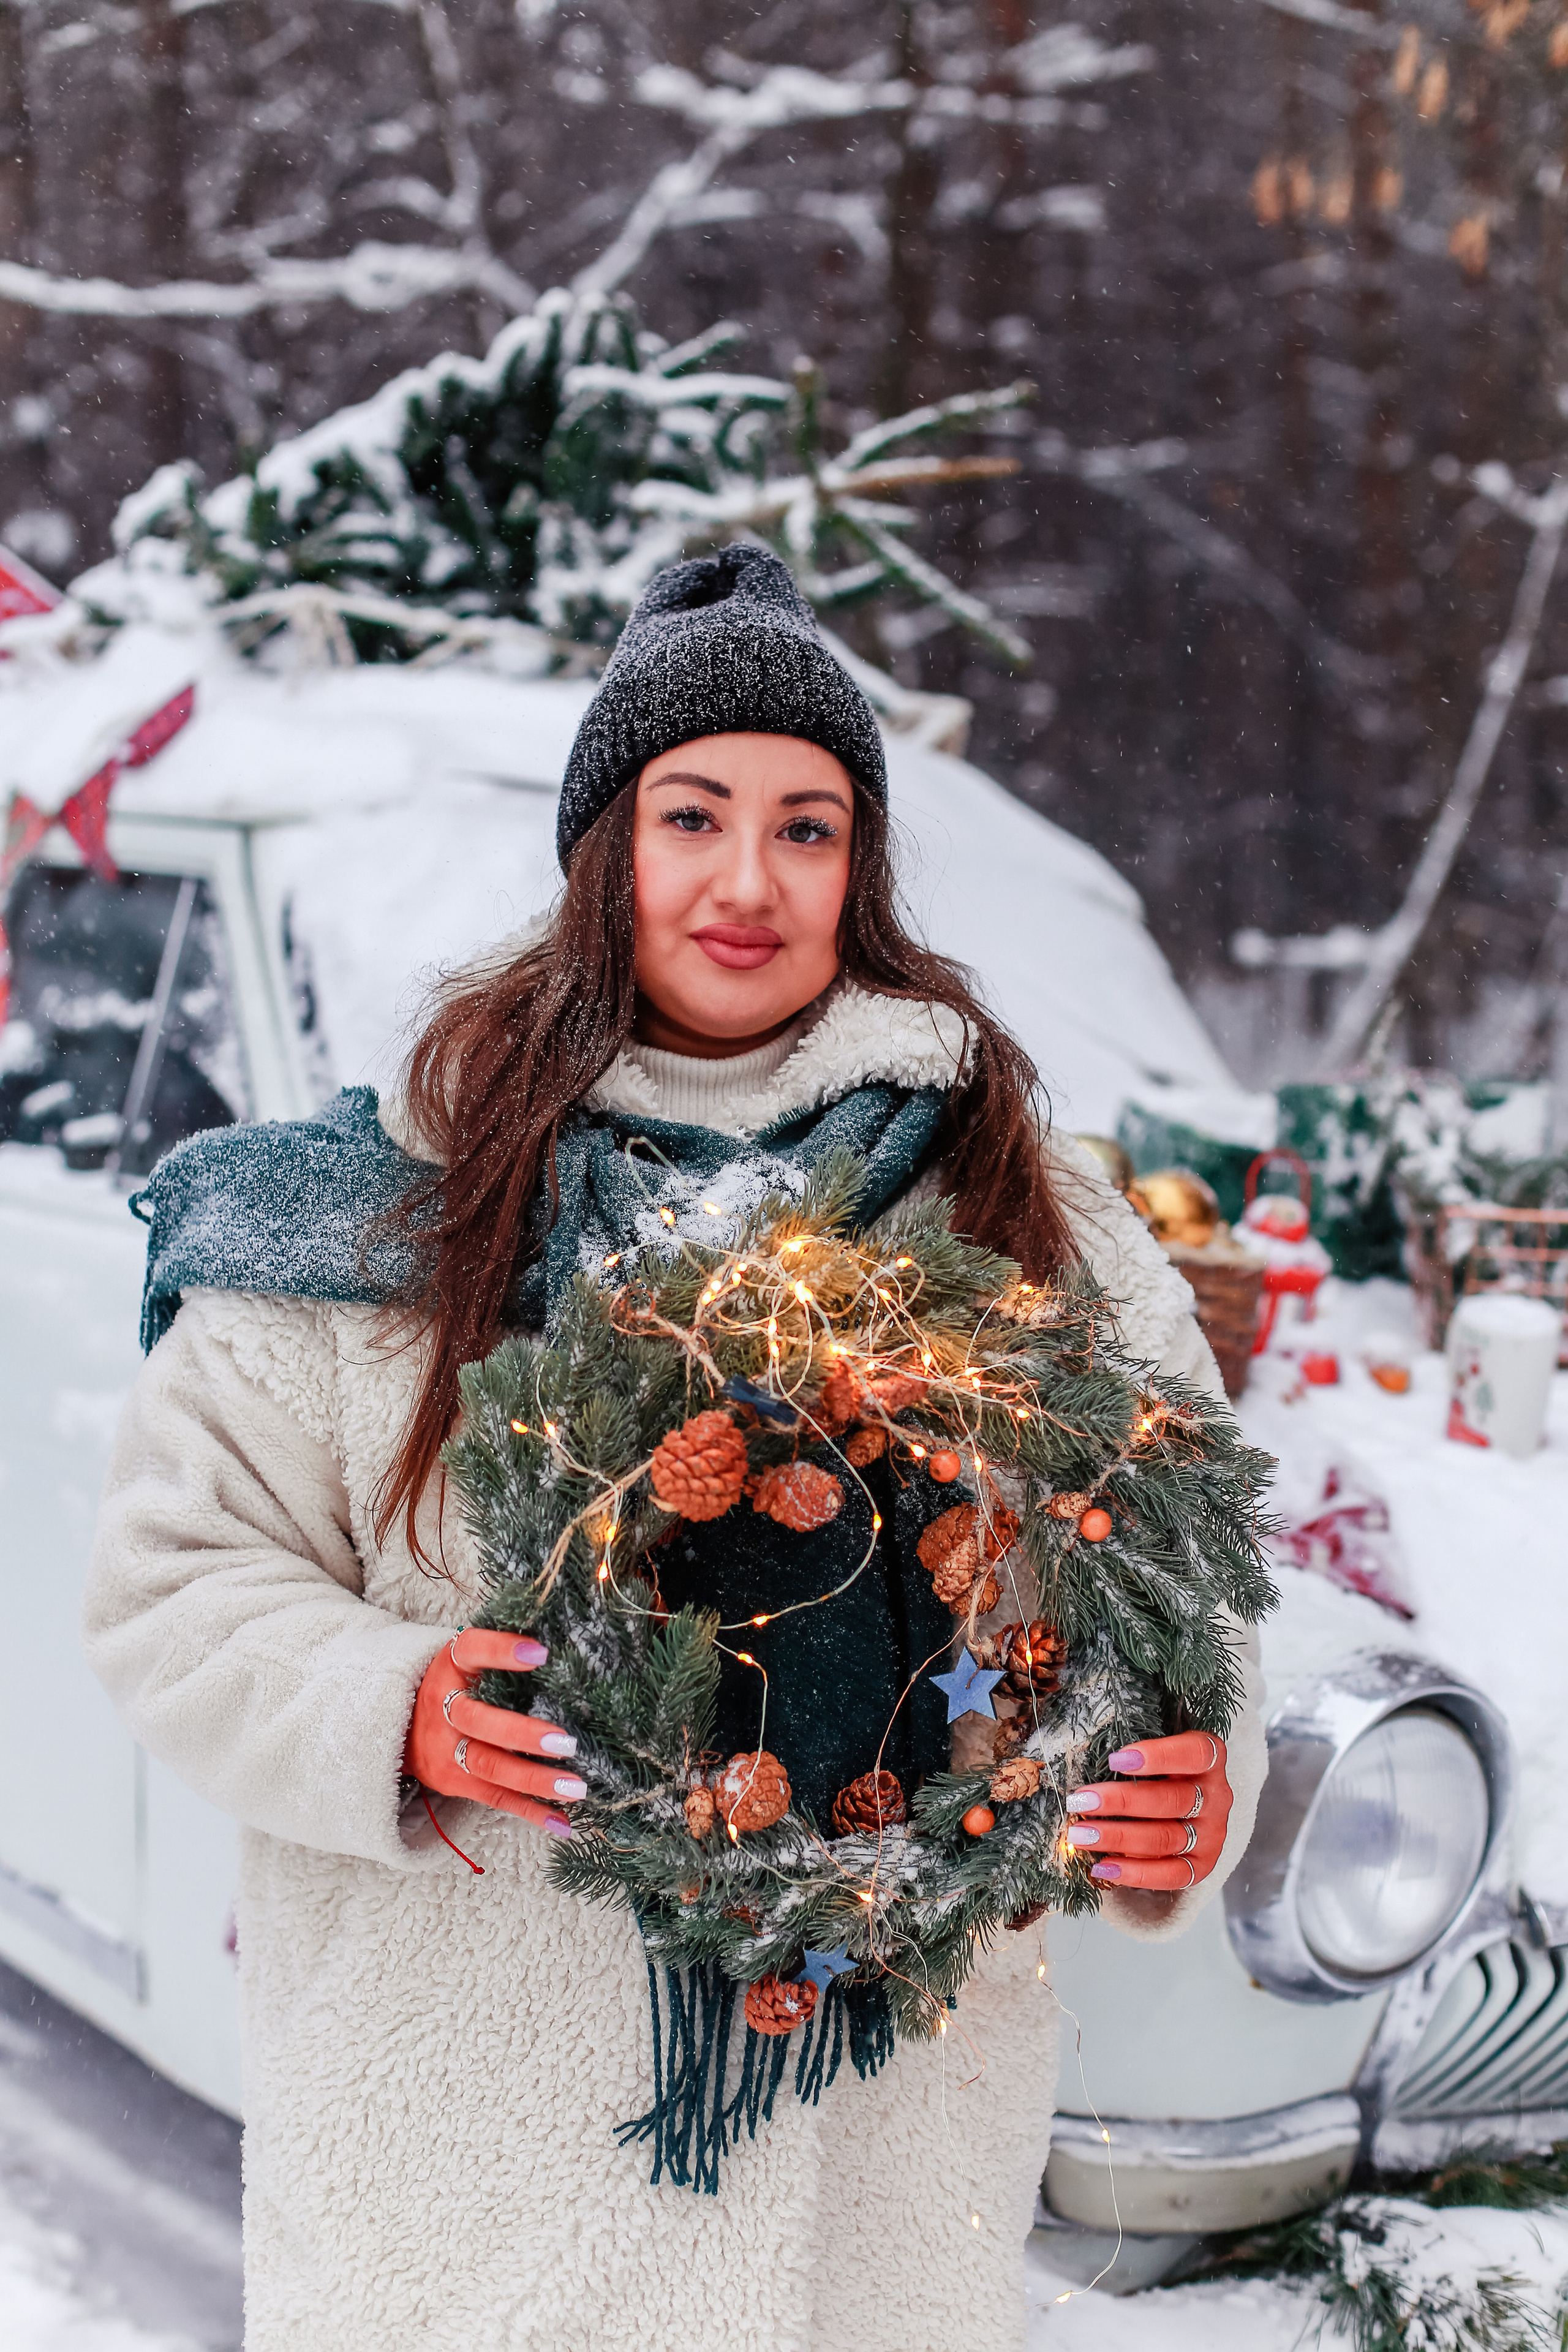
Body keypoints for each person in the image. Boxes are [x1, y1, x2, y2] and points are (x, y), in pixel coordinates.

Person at [84, 545, 1265, 2352]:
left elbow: (1179, 1572)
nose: (745, 881)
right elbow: (175, 1582)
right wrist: (385, 1709)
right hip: (464, 2202)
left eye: (806, 828)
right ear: (601, 853)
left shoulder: (1029, 1209)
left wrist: (1191, 1774)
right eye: (690, 814)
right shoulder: (380, 1203)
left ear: (859, 865)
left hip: (872, 2215)